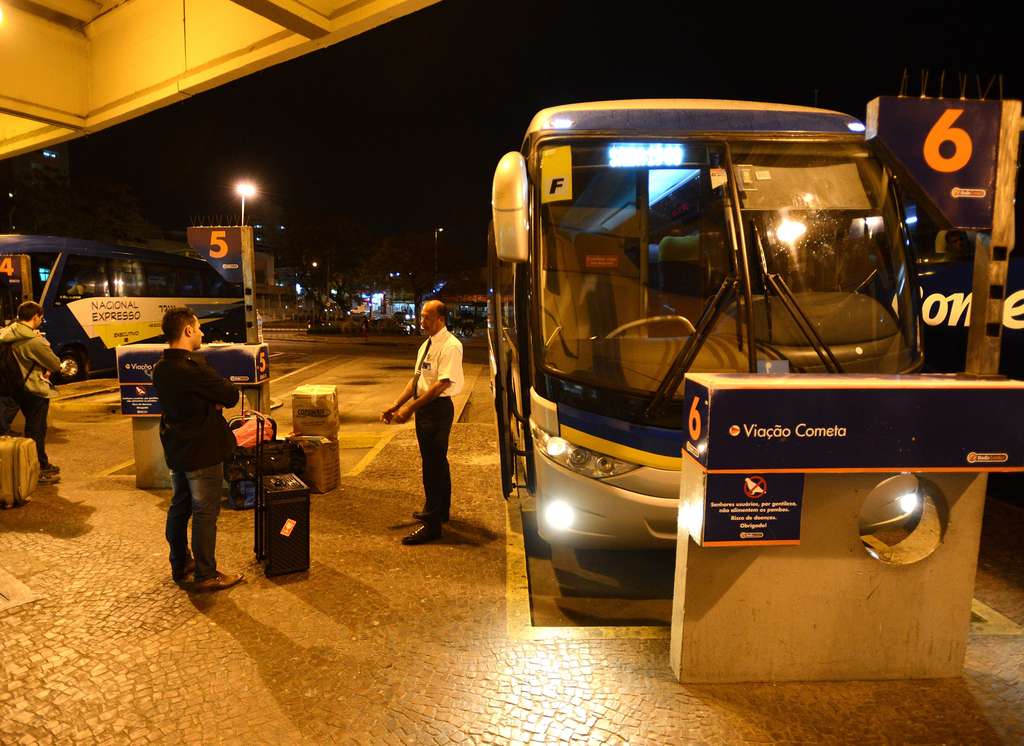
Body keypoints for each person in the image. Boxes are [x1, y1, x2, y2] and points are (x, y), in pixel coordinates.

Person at [153, 306, 243, 591]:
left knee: (179, 506)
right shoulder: (192, 367)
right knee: (205, 512)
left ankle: (181, 563)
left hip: (176, 448)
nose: (202, 332)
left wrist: (208, 401)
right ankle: (207, 574)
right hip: (202, 450)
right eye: (198, 327)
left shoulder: (161, 367)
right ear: (188, 330)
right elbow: (229, 395)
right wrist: (213, 401)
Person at [381, 299, 464, 545]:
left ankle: (432, 524)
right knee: (436, 462)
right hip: (425, 410)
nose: (422, 321)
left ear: (440, 319)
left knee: (432, 467)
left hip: (437, 410)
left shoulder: (451, 346)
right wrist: (396, 404)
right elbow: (417, 379)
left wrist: (409, 410)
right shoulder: (426, 345)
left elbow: (440, 385)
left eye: (427, 317)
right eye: (422, 316)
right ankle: (441, 511)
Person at [0, 301, 62, 484]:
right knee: (36, 430)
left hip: (13, 388)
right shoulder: (34, 341)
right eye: (40, 318)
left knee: (24, 429)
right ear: (35, 317)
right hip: (33, 388)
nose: (41, 321)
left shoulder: (6, 333)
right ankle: (36, 470)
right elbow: (55, 364)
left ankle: (41, 463)